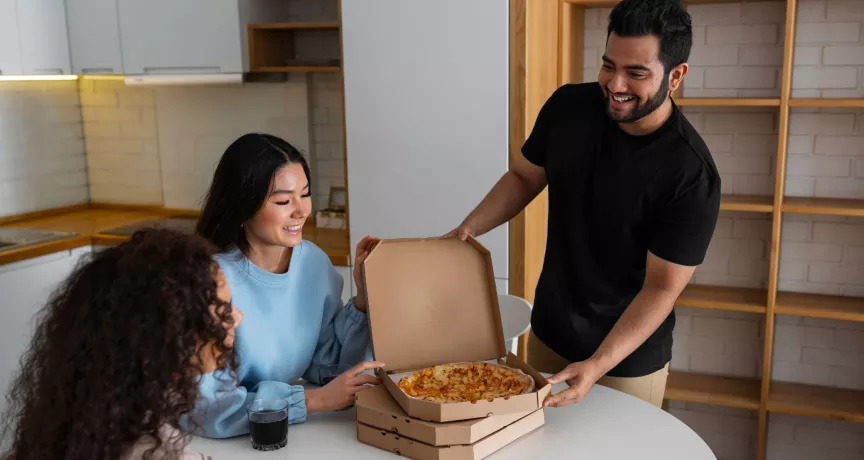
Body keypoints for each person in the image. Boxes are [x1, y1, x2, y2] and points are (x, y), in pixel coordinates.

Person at [448, 0, 720, 409]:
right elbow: (524, 176)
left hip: (625, 361)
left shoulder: (691, 174)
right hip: (548, 336)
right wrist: (466, 231)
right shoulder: (568, 107)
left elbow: (662, 288)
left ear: (676, 75)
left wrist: (597, 364)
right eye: (609, 65)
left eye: (636, 72)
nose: (615, 84)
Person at [189, 133, 383, 438]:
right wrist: (314, 400)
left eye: (305, 194)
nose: (301, 210)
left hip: (284, 435)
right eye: (283, 200)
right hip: (215, 444)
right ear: (243, 206)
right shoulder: (211, 280)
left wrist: (362, 298)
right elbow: (204, 408)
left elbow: (325, 364)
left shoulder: (313, 263)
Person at [0, 229, 242, 460]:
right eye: (224, 310)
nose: (238, 317)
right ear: (175, 334)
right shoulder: (156, 449)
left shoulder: (74, 428)